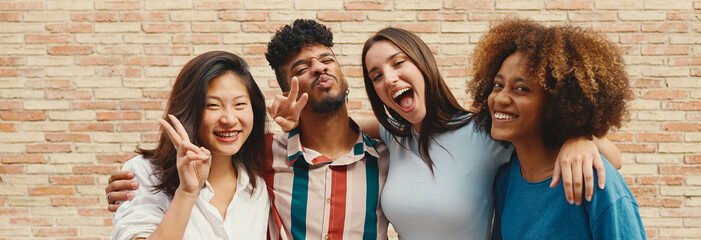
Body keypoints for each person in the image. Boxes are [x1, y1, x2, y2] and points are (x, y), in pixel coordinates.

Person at [107, 19, 391, 240]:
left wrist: (392, 130)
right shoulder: (266, 156)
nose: (318, 68)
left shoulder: (390, 155)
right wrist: (179, 190)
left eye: (327, 59)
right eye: (301, 67)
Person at [358, 27, 624, 240]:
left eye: (398, 63)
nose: (389, 78)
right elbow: (338, 125)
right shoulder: (393, 136)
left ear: (423, 64)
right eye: (376, 76)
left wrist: (580, 138)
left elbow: (614, 159)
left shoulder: (484, 132)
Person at [467, 19, 645, 239]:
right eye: (498, 85)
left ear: (559, 103)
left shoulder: (595, 181)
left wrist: (587, 138)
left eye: (521, 89)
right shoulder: (506, 178)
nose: (500, 98)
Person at [110, 51, 270, 239]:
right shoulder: (144, 173)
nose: (229, 119)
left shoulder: (257, 186)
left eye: (240, 104)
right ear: (189, 111)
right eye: (212, 105)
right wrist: (187, 192)